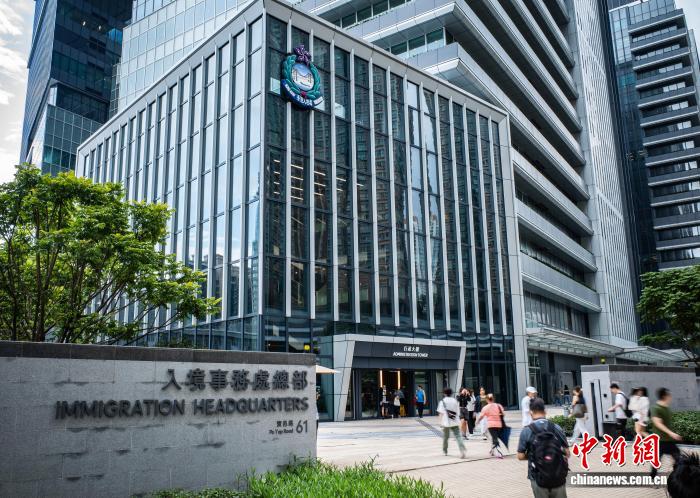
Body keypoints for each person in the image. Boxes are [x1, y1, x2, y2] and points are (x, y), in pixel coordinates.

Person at [517, 398, 569, 498]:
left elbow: (520, 456)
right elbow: (567, 453)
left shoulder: (526, 431)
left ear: (531, 413)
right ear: (545, 411)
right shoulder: (556, 427)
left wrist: (535, 455)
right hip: (558, 475)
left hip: (537, 477)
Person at [650, 387, 682, 480]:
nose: (671, 396)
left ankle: (677, 476)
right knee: (656, 463)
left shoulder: (667, 408)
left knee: (678, 458)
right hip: (659, 441)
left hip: (669, 440)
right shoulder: (656, 408)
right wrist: (671, 433)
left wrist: (672, 434)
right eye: (669, 395)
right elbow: (658, 423)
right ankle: (652, 478)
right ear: (664, 396)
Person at [437, 388, 466, 458]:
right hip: (454, 421)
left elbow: (441, 413)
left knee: (445, 437)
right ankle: (462, 450)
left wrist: (440, 422)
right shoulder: (455, 401)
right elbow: (458, 412)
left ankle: (445, 451)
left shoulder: (442, 401)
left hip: (446, 422)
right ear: (451, 393)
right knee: (458, 436)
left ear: (444, 393)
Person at [477, 393, 505, 458]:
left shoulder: (485, 407)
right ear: (493, 399)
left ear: (487, 400)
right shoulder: (499, 406)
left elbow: (481, 416)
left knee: (494, 438)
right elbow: (503, 414)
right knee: (495, 437)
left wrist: (477, 421)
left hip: (491, 425)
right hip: (499, 424)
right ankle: (492, 451)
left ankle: (498, 453)